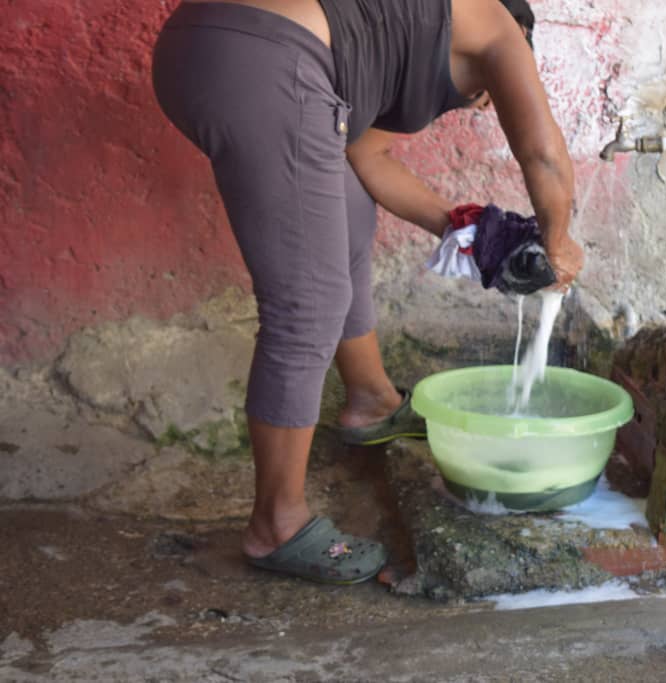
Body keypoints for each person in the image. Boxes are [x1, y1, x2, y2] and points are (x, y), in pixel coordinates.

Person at [151, 0, 583, 584]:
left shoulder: (391, 30)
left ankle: (371, 399)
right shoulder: (502, 27)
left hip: (202, 42)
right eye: (481, 98)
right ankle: (275, 524)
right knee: (308, 304)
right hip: (266, 57)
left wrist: (469, 230)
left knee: (347, 214)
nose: (475, 104)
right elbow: (543, 154)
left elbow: (364, 156)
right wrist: (557, 244)